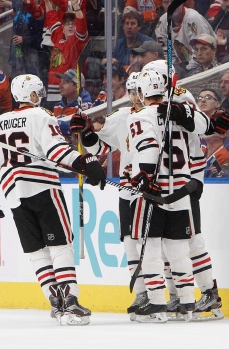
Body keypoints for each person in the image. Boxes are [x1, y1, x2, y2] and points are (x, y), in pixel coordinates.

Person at [0, 73, 105, 326]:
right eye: (39, 93)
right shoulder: (41, 115)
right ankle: (70, 301)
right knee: (60, 246)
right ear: (33, 95)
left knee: (37, 251)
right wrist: (85, 161)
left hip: (13, 195)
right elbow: (56, 151)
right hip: (43, 188)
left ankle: (54, 301)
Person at [72, 71, 148, 320]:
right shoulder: (122, 116)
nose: (137, 97)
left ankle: (169, 294)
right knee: (130, 242)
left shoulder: (160, 116)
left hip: (153, 188)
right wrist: (85, 131)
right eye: (133, 91)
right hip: (129, 189)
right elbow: (100, 147)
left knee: (159, 244)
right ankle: (142, 293)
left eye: (141, 91)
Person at [126, 70, 196, 323]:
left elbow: (148, 147)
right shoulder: (177, 113)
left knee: (150, 249)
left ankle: (157, 303)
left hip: (154, 192)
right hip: (180, 189)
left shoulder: (140, 116)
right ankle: (187, 302)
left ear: (143, 93)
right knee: (178, 250)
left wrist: (144, 176)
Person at [155, 0, 215, 71]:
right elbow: (166, 52)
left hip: (207, 64)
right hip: (185, 65)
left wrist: (186, 70)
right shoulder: (162, 23)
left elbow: (202, 52)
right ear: (162, 5)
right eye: (166, 2)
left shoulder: (193, 18)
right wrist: (174, 70)